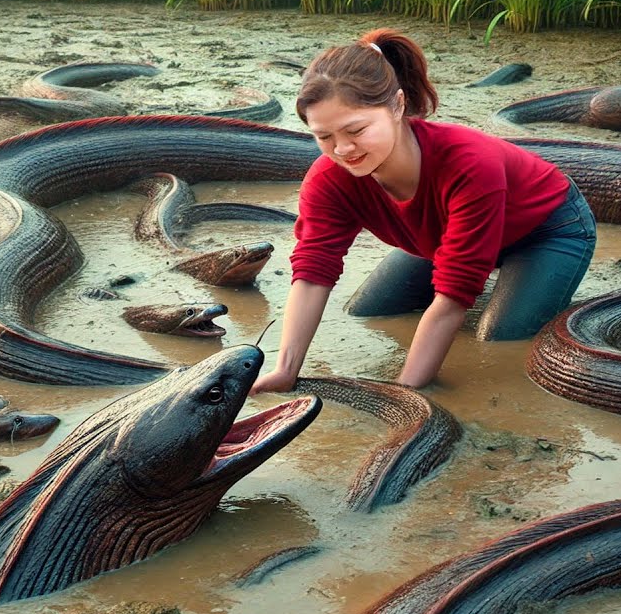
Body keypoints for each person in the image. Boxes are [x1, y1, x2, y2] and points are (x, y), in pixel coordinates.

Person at [250, 28, 596, 394]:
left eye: (356, 130)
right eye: (325, 136)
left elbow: (453, 296)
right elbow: (313, 271)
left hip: (546, 229)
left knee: (497, 340)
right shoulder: (329, 178)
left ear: (397, 105)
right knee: (369, 312)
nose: (343, 149)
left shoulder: (469, 164)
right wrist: (284, 370)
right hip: (443, 238)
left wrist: (405, 393)